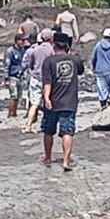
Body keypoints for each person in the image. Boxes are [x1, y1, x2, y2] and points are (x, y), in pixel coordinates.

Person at [41, 31, 84, 171]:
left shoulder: (49, 61)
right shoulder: (74, 59)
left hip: (52, 102)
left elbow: (47, 82)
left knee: (48, 131)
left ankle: (48, 157)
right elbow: (80, 71)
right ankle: (66, 161)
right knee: (68, 132)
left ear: (53, 44)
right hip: (69, 102)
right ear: (66, 45)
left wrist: (47, 97)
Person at [20, 29, 54, 134]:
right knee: (48, 102)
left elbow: (30, 64)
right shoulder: (52, 50)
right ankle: (47, 125)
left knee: (34, 103)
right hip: (47, 79)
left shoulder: (35, 50)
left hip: (35, 78)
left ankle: (28, 125)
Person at [3, 32, 28, 118]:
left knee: (18, 96)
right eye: (22, 40)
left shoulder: (23, 50)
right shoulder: (10, 51)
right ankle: (10, 113)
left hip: (20, 75)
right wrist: (6, 78)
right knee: (13, 95)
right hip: (12, 75)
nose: (23, 42)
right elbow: (7, 64)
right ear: (17, 41)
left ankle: (15, 112)